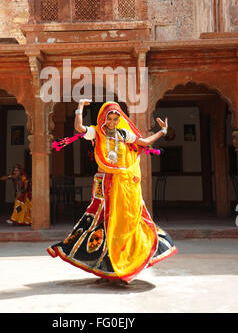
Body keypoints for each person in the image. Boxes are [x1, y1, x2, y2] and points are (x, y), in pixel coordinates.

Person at [47, 100, 177, 284]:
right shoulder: (96, 132)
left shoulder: (124, 134)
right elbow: (78, 127)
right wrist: (81, 107)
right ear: (104, 118)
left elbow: (145, 142)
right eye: (110, 117)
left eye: (116, 118)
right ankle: (105, 265)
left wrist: (163, 131)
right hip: (105, 185)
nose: (113, 121)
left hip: (125, 186)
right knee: (103, 222)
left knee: (127, 221)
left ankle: (125, 261)